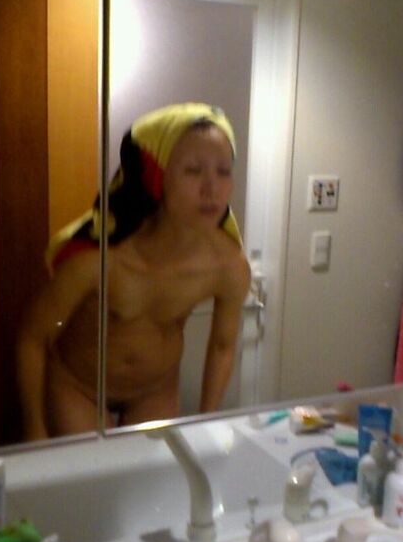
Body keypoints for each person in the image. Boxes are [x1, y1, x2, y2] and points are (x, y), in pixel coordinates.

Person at [17, 103, 250, 441]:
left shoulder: (227, 266)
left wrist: (206, 420)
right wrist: (35, 431)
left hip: (155, 390)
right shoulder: (99, 258)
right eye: (193, 170)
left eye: (224, 171)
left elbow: (223, 346)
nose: (211, 188)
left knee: (151, 473)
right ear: (157, 176)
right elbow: (33, 338)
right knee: (93, 473)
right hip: (78, 386)